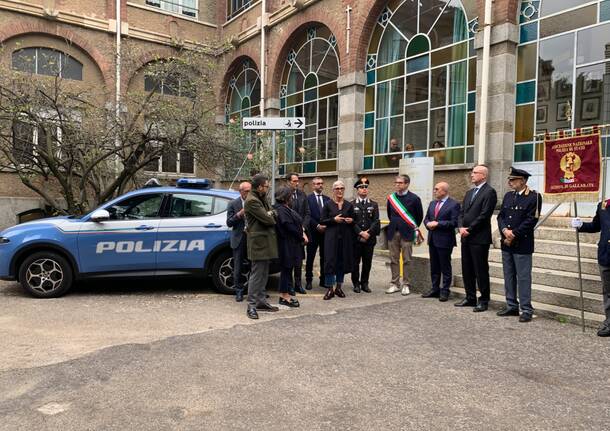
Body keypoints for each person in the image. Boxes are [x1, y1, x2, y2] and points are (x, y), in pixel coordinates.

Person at [496, 167, 542, 323]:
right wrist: (504, 230)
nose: (510, 182)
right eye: (509, 180)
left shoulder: (534, 197)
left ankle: (526, 309)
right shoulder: (509, 196)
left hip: (522, 243)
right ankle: (511, 306)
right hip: (506, 243)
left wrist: (513, 233)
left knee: (523, 277)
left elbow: (531, 220)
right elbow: (501, 216)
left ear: (522, 181)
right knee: (508, 275)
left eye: (513, 180)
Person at [456, 165, 497, 312]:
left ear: (484, 176)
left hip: (479, 238)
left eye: (475, 173)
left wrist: (470, 229)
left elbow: (485, 215)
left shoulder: (489, 192)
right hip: (465, 236)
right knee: (467, 269)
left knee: (480, 270)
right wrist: (460, 227)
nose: (472, 175)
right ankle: (470, 297)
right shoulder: (469, 192)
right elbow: (461, 213)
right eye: (472, 172)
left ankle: (484, 300)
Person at [244, 174, 279, 320]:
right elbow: (269, 219)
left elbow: (272, 212)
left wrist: (270, 213)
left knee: (264, 273)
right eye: (266, 186)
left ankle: (261, 302)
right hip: (258, 243)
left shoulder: (261, 197)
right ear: (259, 187)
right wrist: (270, 214)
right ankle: (251, 305)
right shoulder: (252, 200)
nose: (268, 187)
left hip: (265, 241)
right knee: (257, 274)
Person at [572, 204, 610, 337]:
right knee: (608, 292)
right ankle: (609, 323)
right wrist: (581, 225)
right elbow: (596, 225)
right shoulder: (604, 205)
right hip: (606, 255)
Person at [386, 174, 424, 296]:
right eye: (396, 183)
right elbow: (389, 214)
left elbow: (419, 217)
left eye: (400, 183)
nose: (397, 185)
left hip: (407, 233)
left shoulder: (414, 198)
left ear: (407, 184)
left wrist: (409, 227)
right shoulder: (391, 198)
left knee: (407, 259)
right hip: (393, 232)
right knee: (393, 259)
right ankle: (394, 283)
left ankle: (406, 284)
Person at [422, 182, 460, 302]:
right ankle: (435, 289)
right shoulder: (433, 203)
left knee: (445, 266)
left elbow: (454, 222)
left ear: (444, 191)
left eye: (436, 189)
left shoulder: (454, 204)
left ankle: (445, 290)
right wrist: (428, 224)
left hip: (445, 240)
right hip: (432, 239)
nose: (434, 191)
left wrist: (438, 224)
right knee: (434, 266)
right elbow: (426, 218)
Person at [274, 186, 308, 308]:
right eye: (290, 196)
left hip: (291, 244)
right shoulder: (282, 209)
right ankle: (284, 296)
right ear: (285, 197)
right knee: (286, 270)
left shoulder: (285, 208)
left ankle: (285, 294)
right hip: (286, 244)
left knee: (288, 270)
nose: (292, 198)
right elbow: (288, 226)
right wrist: (301, 236)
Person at [320, 180, 355, 300]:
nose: (340, 190)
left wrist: (351, 221)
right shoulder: (328, 204)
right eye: (337, 188)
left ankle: (339, 287)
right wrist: (333, 220)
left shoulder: (349, 205)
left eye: (342, 188)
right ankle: (330, 289)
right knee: (330, 262)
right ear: (333, 190)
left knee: (342, 262)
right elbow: (322, 220)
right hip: (331, 237)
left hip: (345, 238)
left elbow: (354, 219)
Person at [351, 177, 380, 293]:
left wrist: (368, 232)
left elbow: (376, 221)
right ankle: (356, 283)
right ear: (357, 190)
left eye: (365, 187)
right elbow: (352, 221)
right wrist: (360, 232)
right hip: (356, 238)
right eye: (361, 188)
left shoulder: (374, 204)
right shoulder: (351, 204)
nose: (364, 190)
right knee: (355, 262)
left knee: (367, 262)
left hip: (369, 238)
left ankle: (365, 283)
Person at [226, 181, 251, 302]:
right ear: (240, 191)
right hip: (239, 238)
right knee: (238, 266)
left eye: (250, 190)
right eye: (246, 191)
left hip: (252, 238)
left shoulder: (255, 202)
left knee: (254, 266)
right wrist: (239, 214)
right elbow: (229, 222)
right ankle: (239, 291)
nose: (249, 193)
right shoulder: (233, 203)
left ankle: (254, 291)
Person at [286, 173, 311, 295]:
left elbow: (307, 213)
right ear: (288, 182)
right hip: (289, 233)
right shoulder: (284, 195)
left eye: (298, 180)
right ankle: (289, 286)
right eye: (294, 181)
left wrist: (303, 227)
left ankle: (298, 284)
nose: (297, 183)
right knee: (289, 260)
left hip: (300, 233)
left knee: (299, 260)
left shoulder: (302, 194)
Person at [305, 177, 330, 290]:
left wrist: (325, 225)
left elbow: (329, 215)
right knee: (310, 257)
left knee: (324, 257)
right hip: (312, 232)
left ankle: (323, 280)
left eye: (321, 183)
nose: (320, 185)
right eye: (318, 184)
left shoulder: (327, 199)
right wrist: (317, 226)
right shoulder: (308, 199)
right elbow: (307, 215)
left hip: (325, 233)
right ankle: (308, 280)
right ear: (313, 185)